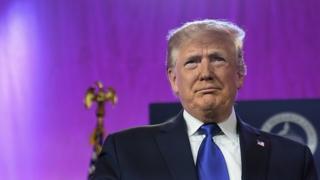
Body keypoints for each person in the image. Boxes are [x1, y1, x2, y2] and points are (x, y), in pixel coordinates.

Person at [91, 19, 318, 180]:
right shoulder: (126, 151)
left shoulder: (292, 159)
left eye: (218, 59)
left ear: (239, 74)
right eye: (192, 62)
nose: (205, 73)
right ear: (173, 79)